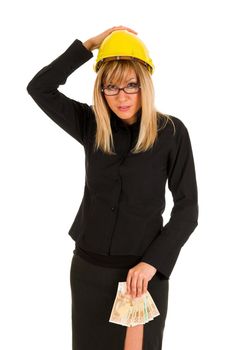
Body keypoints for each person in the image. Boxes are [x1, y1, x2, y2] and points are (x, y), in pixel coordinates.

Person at [26, 26, 199, 350]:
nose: (122, 96)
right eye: (111, 86)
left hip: (141, 274)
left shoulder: (171, 133)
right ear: (101, 89)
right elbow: (40, 88)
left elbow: (188, 208)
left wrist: (153, 263)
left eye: (131, 85)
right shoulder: (91, 125)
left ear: (145, 84)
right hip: (89, 269)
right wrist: (89, 45)